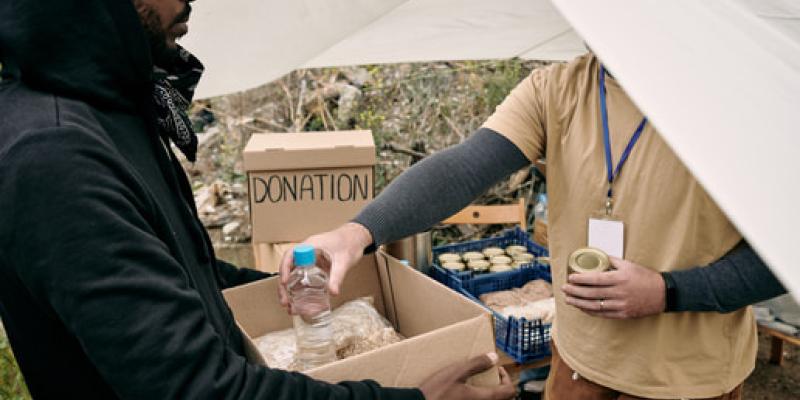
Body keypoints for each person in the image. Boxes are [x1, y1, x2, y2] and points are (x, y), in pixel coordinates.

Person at [0, 1, 517, 399]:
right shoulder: (54, 155)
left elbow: (183, 272)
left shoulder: (109, 109)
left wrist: (281, 287)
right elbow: (199, 389)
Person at [280, 53, 788, 398]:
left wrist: (668, 290)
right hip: (577, 363)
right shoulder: (557, 88)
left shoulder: (739, 99)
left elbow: (786, 254)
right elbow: (465, 167)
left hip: (687, 379)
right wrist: (358, 232)